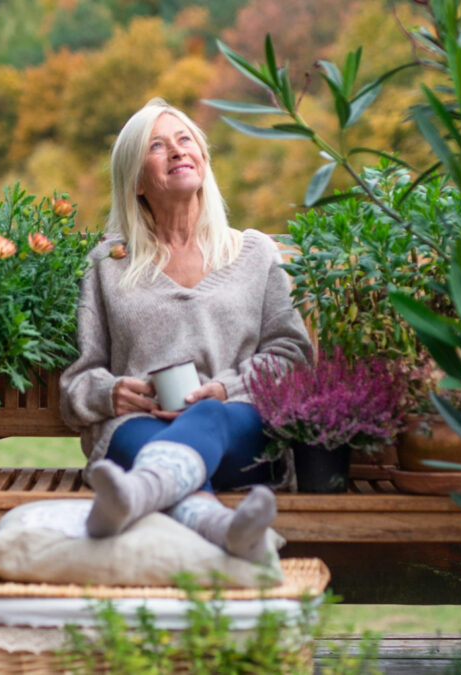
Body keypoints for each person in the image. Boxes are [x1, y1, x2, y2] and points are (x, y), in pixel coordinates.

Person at [59, 98, 313, 563]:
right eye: (157, 146)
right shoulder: (109, 265)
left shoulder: (255, 254)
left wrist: (225, 387)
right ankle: (224, 528)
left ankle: (132, 497)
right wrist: (111, 393)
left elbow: (294, 355)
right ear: (136, 180)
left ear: (202, 158)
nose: (177, 151)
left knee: (208, 417)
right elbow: (79, 381)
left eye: (184, 140)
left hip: (241, 426)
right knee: (151, 444)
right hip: (137, 428)